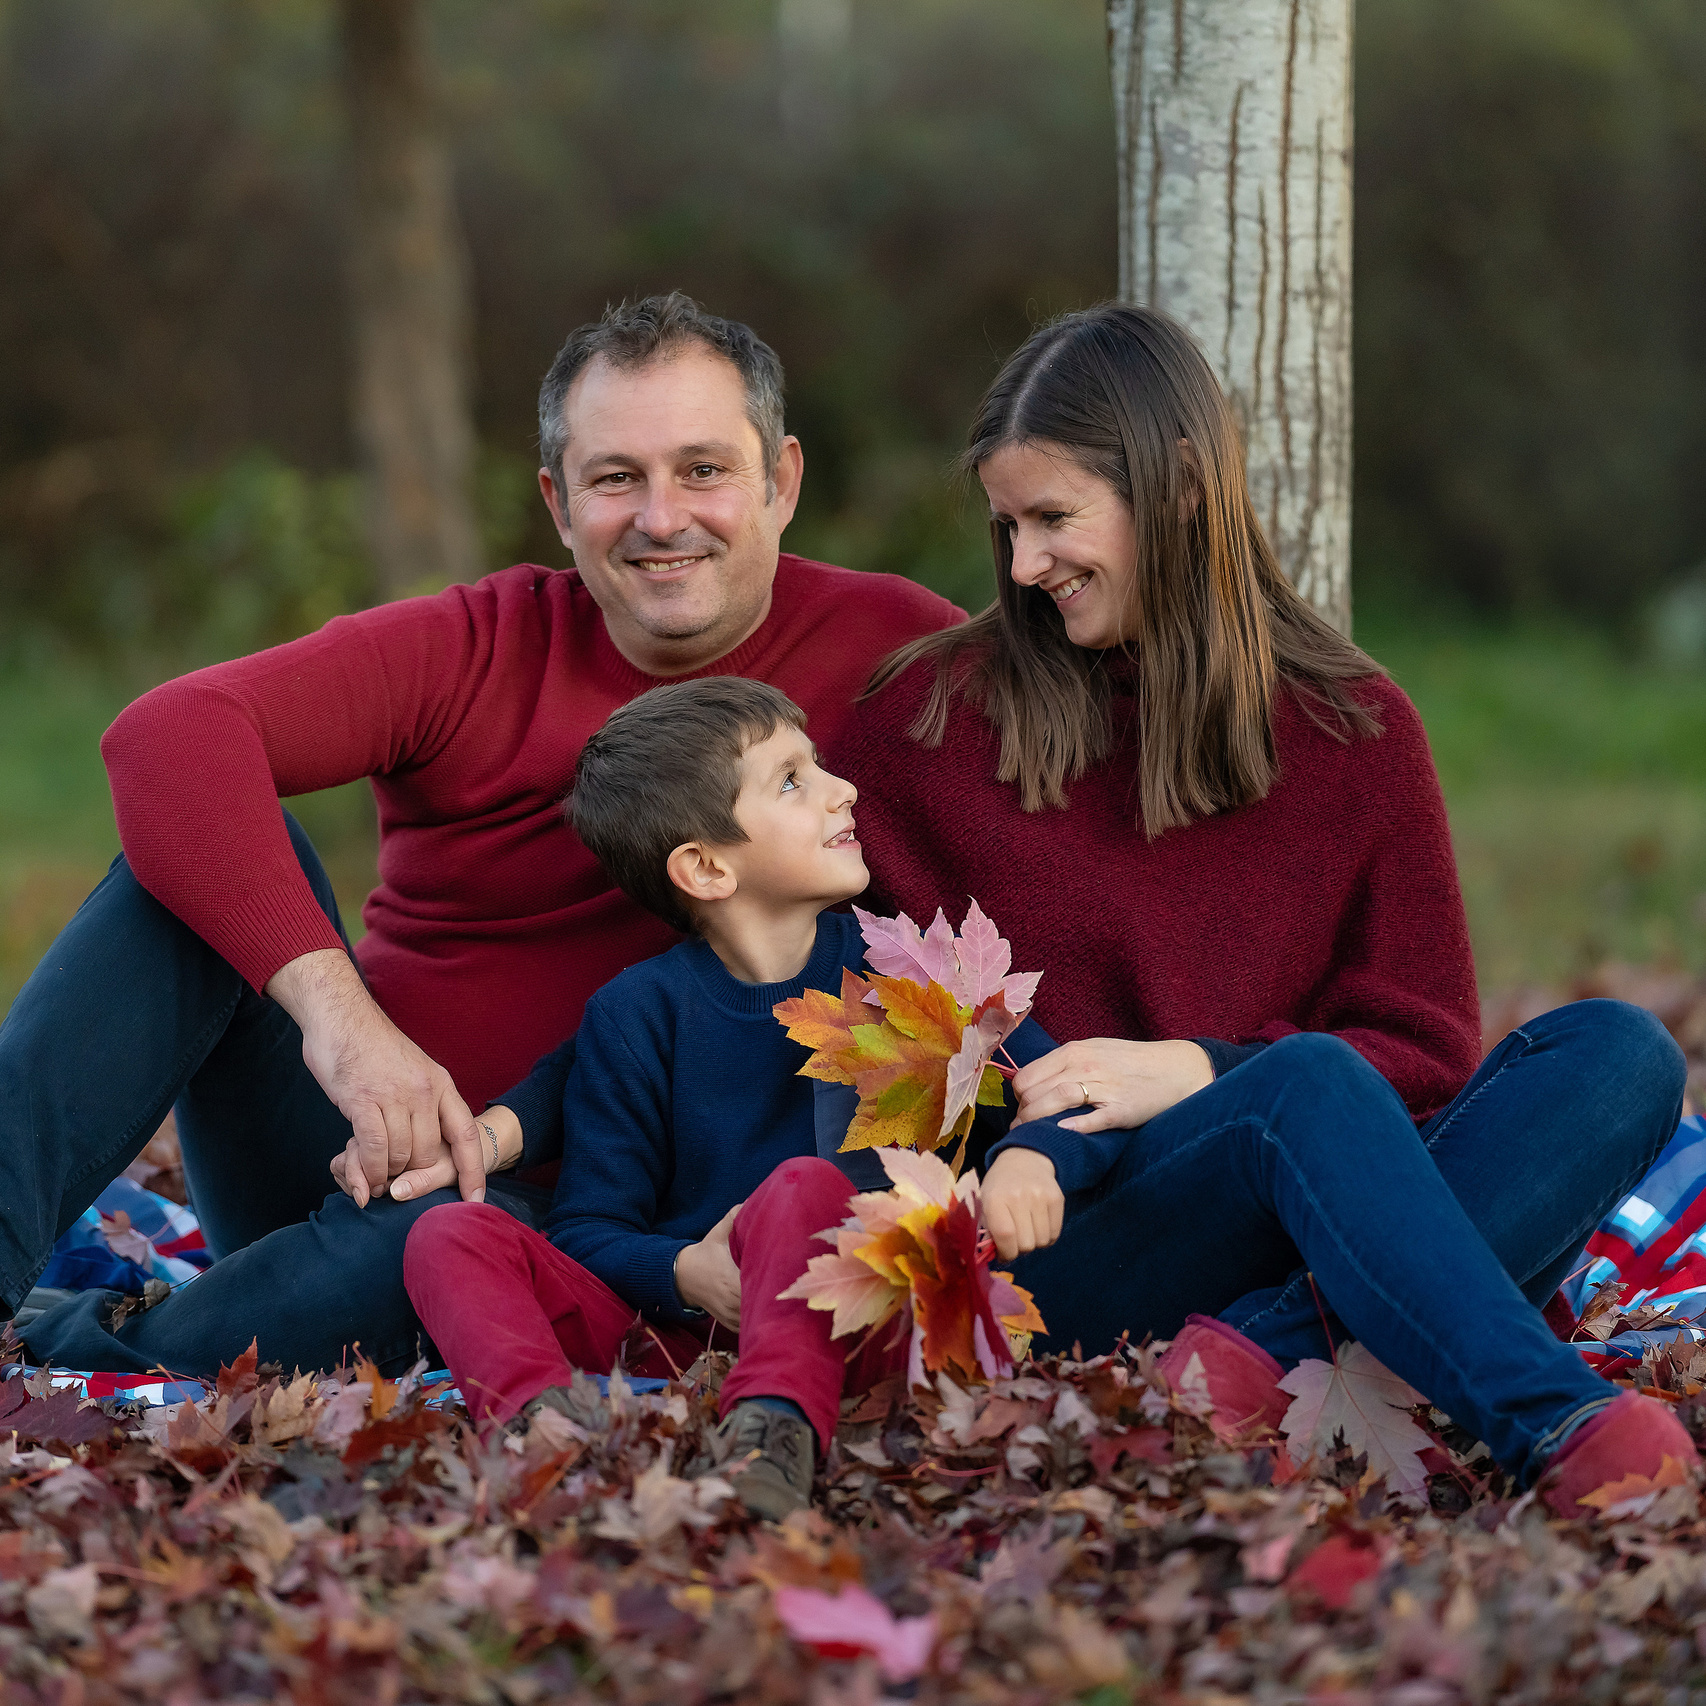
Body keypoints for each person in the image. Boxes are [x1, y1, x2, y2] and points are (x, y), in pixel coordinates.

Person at [828, 301, 1697, 1513]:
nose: (1022, 565)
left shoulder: (1354, 727)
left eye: (1053, 519)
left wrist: (1195, 1065)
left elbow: (1427, 1055)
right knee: (1309, 1083)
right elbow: (868, 1028)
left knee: (1617, 1055)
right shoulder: (923, 724)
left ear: (1178, 488)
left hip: (1336, 1209)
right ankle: (1554, 1423)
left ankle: (1256, 1357)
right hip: (1072, 1235)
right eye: (1007, 528)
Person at [0, 293, 960, 1380]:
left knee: (435, 1247)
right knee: (172, 884)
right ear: (556, 500)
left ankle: (74, 1341)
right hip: (345, 1150)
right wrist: (343, 1022)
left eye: (702, 470)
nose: (659, 516)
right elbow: (168, 735)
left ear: (780, 481)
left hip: (572, 1231)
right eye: (614, 478)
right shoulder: (479, 643)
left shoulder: (901, 652)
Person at [402, 677, 1056, 1520]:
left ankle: (771, 1440)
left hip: (872, 1312)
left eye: (816, 765)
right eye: (792, 780)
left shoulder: (917, 971)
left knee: (800, 1189)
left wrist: (1021, 1166)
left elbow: (1053, 1093)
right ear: (706, 868)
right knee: (449, 1235)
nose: (840, 788)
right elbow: (588, 1229)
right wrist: (684, 1273)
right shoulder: (639, 1014)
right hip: (680, 1338)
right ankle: (545, 1440)